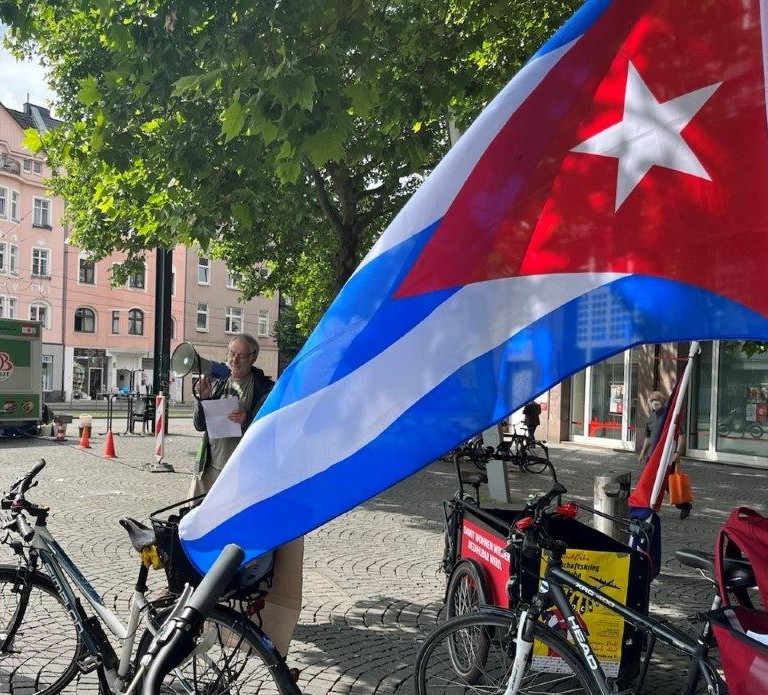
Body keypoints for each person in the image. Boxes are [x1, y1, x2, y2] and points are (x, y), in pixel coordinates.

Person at [191, 333, 303, 658]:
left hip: (246, 479)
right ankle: (207, 596)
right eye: (231, 354)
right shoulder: (218, 384)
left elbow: (274, 427)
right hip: (214, 471)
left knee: (243, 539)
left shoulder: (265, 389)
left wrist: (249, 421)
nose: (234, 360)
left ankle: (247, 599)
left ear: (253, 358)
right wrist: (202, 399)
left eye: (241, 355)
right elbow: (200, 425)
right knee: (207, 534)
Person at [638, 390, 692, 520]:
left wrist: (678, 452)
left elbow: (681, 435)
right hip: (652, 456)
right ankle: (649, 507)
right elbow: (648, 438)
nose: (654, 402)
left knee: (667, 483)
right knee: (650, 481)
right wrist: (643, 452)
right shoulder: (650, 418)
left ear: (663, 400)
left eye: (657, 400)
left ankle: (684, 505)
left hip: (667, 456)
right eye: (652, 400)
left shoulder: (671, 416)